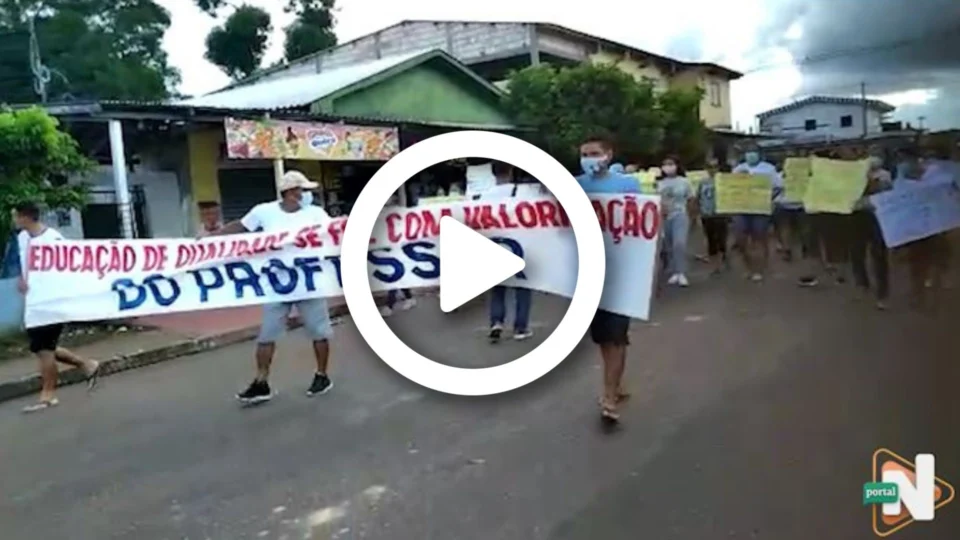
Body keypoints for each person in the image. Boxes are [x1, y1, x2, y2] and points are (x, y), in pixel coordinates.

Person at [209, 170, 334, 404]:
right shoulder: (263, 212)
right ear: (291, 193)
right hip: (276, 285)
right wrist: (212, 238)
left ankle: (322, 375)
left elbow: (334, 232)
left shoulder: (316, 214)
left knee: (319, 332)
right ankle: (261, 381)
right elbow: (241, 227)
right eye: (303, 190)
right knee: (267, 335)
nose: (307, 194)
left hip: (309, 283)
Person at [575, 136, 640, 423]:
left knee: (616, 335)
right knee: (604, 338)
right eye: (584, 154)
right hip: (588, 274)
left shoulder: (629, 186)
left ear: (609, 155)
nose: (589, 158)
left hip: (622, 272)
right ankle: (615, 381)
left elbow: (643, 227)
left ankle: (609, 394)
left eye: (595, 153)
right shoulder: (573, 186)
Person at [13, 202, 101, 413]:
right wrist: (23, 280)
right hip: (33, 302)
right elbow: (26, 265)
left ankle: (48, 395)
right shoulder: (22, 238)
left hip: (53, 302)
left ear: (26, 217)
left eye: (15, 216)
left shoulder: (53, 239)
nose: (13, 220)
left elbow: (69, 267)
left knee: (44, 349)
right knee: (41, 347)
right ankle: (87, 365)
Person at [482, 161, 534, 342]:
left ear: (492, 173)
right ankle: (520, 328)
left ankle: (496, 322)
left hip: (495, 246)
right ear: (511, 171)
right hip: (519, 245)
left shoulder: (484, 196)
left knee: (498, 289)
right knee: (523, 288)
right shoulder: (522, 193)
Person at [850, 149, 892, 310]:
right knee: (856, 252)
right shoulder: (854, 175)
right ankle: (862, 285)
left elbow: (886, 193)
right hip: (858, 215)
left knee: (879, 255)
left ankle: (882, 293)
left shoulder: (884, 176)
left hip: (877, 216)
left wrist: (870, 181)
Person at [732, 144, 781, 282]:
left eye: (753, 152)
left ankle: (759, 268)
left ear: (759, 154)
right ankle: (748, 267)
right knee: (740, 239)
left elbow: (779, 187)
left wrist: (767, 198)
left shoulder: (769, 169)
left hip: (760, 210)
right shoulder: (738, 169)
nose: (751, 154)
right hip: (742, 209)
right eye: (748, 152)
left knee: (759, 238)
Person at [657, 156, 695, 287]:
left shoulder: (684, 182)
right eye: (665, 164)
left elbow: (690, 199)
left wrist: (692, 216)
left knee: (679, 243)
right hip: (664, 217)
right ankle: (674, 271)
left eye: (671, 164)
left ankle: (681, 272)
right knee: (668, 245)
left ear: (677, 166)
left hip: (680, 215)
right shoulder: (659, 183)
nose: (668, 166)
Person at [380, 189, 416, 317]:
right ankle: (409, 298)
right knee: (398, 275)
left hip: (398, 248)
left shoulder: (398, 213)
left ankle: (389, 305)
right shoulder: (382, 213)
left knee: (394, 275)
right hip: (388, 248)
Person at [695, 158, 729, 275]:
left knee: (721, 239)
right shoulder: (703, 182)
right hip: (706, 214)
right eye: (710, 167)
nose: (712, 169)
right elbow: (698, 198)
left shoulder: (725, 181)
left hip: (721, 214)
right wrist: (697, 214)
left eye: (715, 167)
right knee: (711, 240)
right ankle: (715, 265)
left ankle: (722, 259)